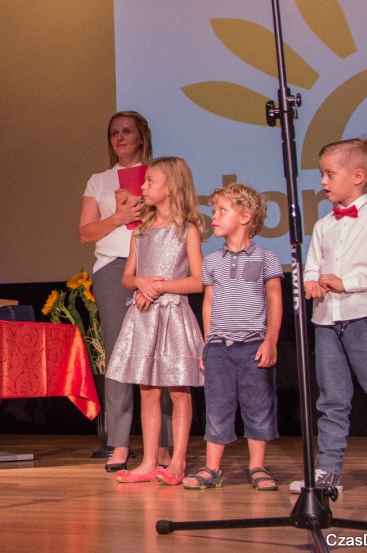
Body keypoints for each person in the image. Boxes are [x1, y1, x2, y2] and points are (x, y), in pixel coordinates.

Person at [289, 137, 367, 499]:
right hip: (327, 321)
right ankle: (327, 471)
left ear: (358, 176)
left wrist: (348, 283)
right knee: (332, 399)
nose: (322, 181)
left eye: (329, 173)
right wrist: (311, 282)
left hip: (366, 317)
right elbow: (311, 264)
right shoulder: (325, 225)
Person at [79, 111, 173, 472]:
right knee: (119, 354)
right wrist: (118, 217)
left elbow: (175, 219)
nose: (119, 138)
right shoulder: (99, 181)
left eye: (127, 132)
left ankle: (162, 444)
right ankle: (119, 443)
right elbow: (86, 233)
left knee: (158, 353)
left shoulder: (159, 176)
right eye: (114, 133)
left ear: (141, 137)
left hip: (155, 264)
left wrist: (146, 204)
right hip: (112, 268)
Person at [106, 156, 204, 485]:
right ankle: (148, 461)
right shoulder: (141, 233)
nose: (142, 187)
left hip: (174, 315)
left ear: (171, 188)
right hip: (144, 317)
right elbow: (127, 278)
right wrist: (141, 283)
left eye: (150, 181)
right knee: (147, 390)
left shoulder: (187, 231)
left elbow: (197, 281)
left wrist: (157, 286)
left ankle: (177, 461)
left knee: (178, 390)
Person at [183, 183, 283, 491]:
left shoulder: (266, 257)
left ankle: (257, 466)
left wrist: (271, 340)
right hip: (219, 348)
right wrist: (207, 342)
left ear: (245, 216)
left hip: (253, 345)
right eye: (213, 210)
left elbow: (275, 300)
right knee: (218, 405)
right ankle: (213, 468)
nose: (213, 216)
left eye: (221, 210)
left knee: (257, 404)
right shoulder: (212, 261)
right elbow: (209, 302)